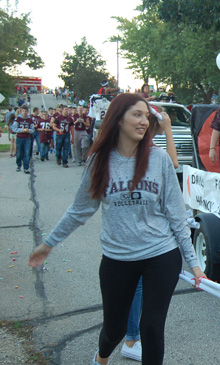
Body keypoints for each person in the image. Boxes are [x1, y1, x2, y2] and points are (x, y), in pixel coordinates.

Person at [27, 93, 206, 365]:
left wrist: (193, 263)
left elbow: (176, 213)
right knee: (115, 330)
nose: (144, 121)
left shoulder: (159, 160)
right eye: (137, 114)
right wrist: (48, 244)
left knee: (152, 327)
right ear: (118, 119)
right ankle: (101, 357)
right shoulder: (99, 161)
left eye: (147, 116)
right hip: (118, 258)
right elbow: (80, 210)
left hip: (161, 253)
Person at [120, 104, 179, 362]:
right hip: (136, 231)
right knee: (136, 285)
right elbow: (175, 164)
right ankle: (131, 339)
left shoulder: (149, 149)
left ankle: (132, 337)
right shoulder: (139, 148)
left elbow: (171, 165)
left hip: (146, 229)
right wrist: (167, 131)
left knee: (139, 285)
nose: (144, 122)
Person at [12, 105, 35, 173]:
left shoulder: (30, 120)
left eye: (26, 111)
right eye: (23, 111)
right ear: (21, 111)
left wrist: (28, 131)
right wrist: (21, 130)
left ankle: (26, 167)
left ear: (27, 112)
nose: (24, 112)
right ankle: (19, 165)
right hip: (19, 138)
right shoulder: (18, 119)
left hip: (27, 138)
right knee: (19, 153)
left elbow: (33, 129)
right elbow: (14, 128)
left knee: (27, 153)